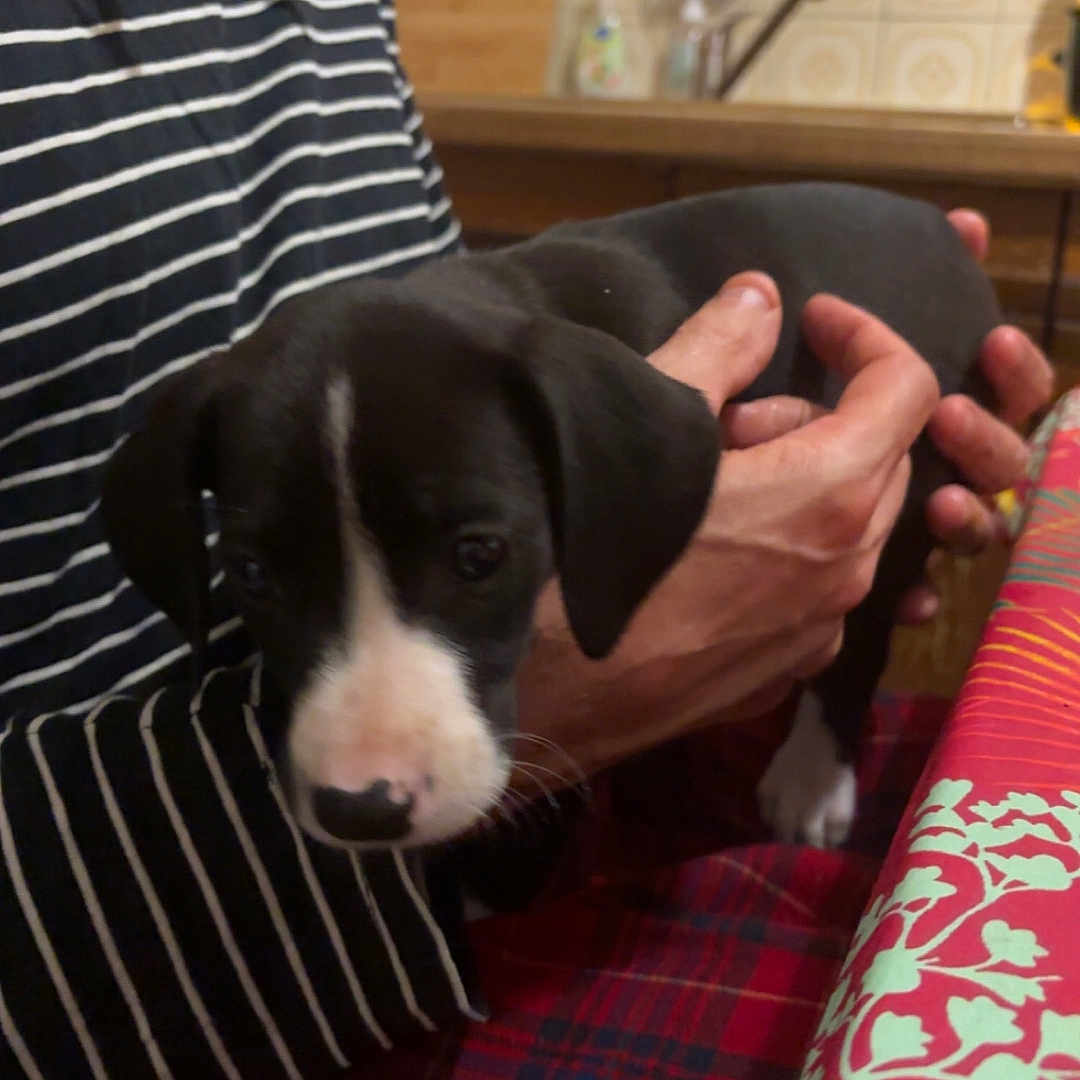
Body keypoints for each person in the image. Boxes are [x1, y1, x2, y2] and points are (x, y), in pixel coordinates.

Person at [0, 2, 1054, 1076]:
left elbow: (450, 396)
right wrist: (596, 660)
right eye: (261, 575)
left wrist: (826, 551)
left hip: (537, 867)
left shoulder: (336, 16)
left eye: (471, 563)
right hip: (133, 955)